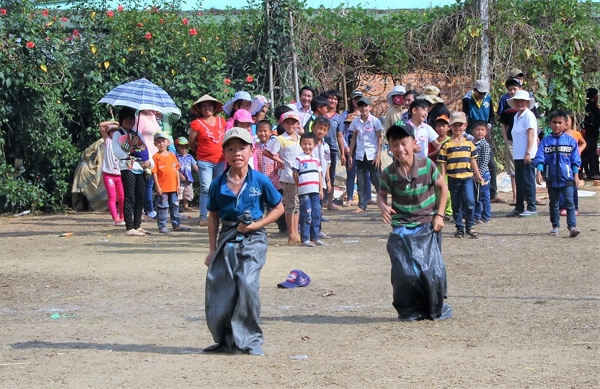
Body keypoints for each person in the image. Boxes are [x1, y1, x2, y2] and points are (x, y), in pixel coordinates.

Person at [203, 127, 284, 356]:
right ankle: (227, 341)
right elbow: (213, 216)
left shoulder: (260, 180)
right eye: (230, 149)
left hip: (254, 237)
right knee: (222, 288)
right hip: (227, 237)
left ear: (251, 151)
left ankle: (250, 339)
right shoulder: (217, 184)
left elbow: (279, 208)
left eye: (242, 148)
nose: (236, 153)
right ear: (224, 154)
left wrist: (257, 225)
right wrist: (212, 250)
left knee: (247, 282)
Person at [378, 123, 452, 322]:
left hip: (427, 224)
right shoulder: (388, 173)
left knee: (432, 271)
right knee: (405, 273)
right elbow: (381, 195)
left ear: (414, 143)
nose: (400, 149)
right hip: (402, 227)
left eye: (404, 143)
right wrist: (383, 206)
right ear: (390, 148)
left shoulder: (427, 165)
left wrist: (439, 215)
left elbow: (443, 188)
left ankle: (435, 307)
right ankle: (410, 311)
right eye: (395, 145)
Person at [533, 110, 581, 237]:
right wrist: (539, 171)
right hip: (551, 177)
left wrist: (576, 175)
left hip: (568, 178)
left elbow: (575, 160)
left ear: (566, 124)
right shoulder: (545, 141)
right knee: (554, 204)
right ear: (550, 123)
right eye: (554, 122)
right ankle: (555, 226)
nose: (557, 125)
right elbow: (540, 157)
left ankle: (572, 226)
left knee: (569, 202)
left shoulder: (571, 141)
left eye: (560, 123)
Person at [438, 112, 484, 238]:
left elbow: (473, 160)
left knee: (470, 201)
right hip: (453, 179)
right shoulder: (446, 146)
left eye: (460, 125)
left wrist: (478, 175)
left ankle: (470, 226)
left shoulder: (469, 144)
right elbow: (443, 163)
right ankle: (459, 228)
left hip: (467, 178)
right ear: (450, 127)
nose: (457, 127)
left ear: (465, 126)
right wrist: (442, 179)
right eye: (455, 125)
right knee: (456, 204)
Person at [112, 107, 153, 236]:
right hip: (127, 168)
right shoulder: (117, 134)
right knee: (130, 197)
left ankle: (137, 225)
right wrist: (130, 145)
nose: (129, 121)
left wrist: (149, 162)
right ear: (121, 119)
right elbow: (118, 154)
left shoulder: (137, 134)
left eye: (131, 118)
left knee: (140, 197)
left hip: (140, 168)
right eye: (126, 118)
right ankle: (129, 227)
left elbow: (146, 150)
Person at [263, 111, 302, 244]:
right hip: (288, 177)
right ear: (283, 124)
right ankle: (291, 234)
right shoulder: (281, 139)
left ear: (297, 124)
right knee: (291, 205)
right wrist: (279, 161)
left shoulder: (300, 139)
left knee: (296, 205)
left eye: (293, 123)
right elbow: (266, 151)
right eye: (288, 123)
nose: (291, 125)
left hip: (300, 178)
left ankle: (296, 232)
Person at [188, 95, 227, 227]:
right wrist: (200, 152)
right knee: (206, 187)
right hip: (204, 160)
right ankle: (203, 216)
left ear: (214, 107)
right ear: (200, 108)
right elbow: (191, 142)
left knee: (221, 187)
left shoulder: (222, 121)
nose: (207, 108)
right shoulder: (196, 123)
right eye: (204, 106)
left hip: (222, 159)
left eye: (209, 105)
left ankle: (221, 214)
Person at [462, 80, 502, 204]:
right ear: (475, 90)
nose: (482, 95)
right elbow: (466, 116)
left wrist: (488, 127)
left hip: (485, 133)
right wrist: (469, 134)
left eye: (484, 93)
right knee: (472, 161)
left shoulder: (488, 98)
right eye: (480, 93)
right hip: (472, 134)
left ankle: (493, 192)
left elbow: (491, 116)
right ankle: (473, 190)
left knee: (490, 163)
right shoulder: (467, 99)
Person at [505, 90, 539, 218]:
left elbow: (531, 134)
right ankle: (519, 206)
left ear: (527, 102)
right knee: (519, 181)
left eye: (522, 101)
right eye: (517, 101)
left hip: (527, 154)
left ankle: (531, 206)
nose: (520, 103)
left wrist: (528, 152)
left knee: (528, 180)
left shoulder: (529, 115)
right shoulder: (516, 116)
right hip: (518, 154)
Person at [348, 97, 383, 214]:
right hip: (360, 155)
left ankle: (383, 204)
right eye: (361, 106)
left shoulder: (375, 121)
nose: (364, 108)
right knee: (361, 181)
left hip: (372, 154)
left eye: (366, 106)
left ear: (370, 107)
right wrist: (350, 155)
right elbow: (353, 139)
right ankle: (362, 205)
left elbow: (379, 139)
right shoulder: (355, 121)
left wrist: (378, 155)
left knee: (377, 179)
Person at [151, 133, 189, 233]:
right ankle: (162, 226)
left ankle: (176, 225)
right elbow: (154, 172)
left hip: (173, 187)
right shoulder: (155, 157)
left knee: (175, 206)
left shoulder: (172, 156)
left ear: (168, 142)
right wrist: (157, 186)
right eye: (158, 142)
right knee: (162, 207)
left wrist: (178, 184)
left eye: (163, 141)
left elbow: (176, 170)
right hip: (162, 189)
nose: (161, 144)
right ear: (155, 144)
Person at [293, 132, 326, 247]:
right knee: (306, 214)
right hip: (304, 191)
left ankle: (315, 237)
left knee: (316, 214)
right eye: (304, 144)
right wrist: (299, 186)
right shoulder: (299, 159)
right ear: (300, 144)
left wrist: (320, 190)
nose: (307, 146)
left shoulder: (316, 160)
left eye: (309, 144)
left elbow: (319, 175)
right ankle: (305, 239)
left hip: (315, 191)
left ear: (315, 145)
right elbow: (295, 173)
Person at [255, 119, 287, 233]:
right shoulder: (255, 147)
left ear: (270, 132)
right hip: (259, 182)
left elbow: (279, 161)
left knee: (278, 204)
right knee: (259, 205)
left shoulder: (275, 146)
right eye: (260, 131)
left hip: (274, 181)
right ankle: (257, 228)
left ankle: (283, 228)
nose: (262, 133)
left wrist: (278, 169)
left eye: (265, 131)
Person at [319, 89, 346, 210]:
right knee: (319, 173)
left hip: (333, 150)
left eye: (335, 99)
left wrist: (343, 153)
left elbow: (340, 136)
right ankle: (320, 201)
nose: (333, 101)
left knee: (331, 176)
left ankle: (329, 202)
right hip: (319, 148)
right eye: (331, 98)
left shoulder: (339, 118)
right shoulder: (320, 115)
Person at [498, 77, 523, 205]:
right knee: (513, 171)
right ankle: (515, 197)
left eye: (514, 89)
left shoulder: (527, 103)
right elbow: (504, 124)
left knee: (528, 170)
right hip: (512, 141)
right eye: (510, 89)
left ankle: (531, 197)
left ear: (520, 89)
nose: (512, 91)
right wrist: (506, 140)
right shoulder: (506, 103)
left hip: (525, 142)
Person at [558, 111, 586, 215]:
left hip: (573, 164)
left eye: (567, 120)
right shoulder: (559, 135)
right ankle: (562, 207)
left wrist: (579, 150)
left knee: (574, 186)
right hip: (562, 165)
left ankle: (574, 207)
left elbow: (584, 143)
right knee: (561, 186)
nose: (565, 123)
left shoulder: (576, 134)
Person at [136, 110, 161, 219]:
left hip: (155, 154)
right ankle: (149, 209)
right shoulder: (139, 117)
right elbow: (136, 135)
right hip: (145, 154)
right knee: (148, 184)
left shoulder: (153, 116)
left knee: (154, 183)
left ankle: (155, 207)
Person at [99, 120, 125, 226]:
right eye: (112, 131)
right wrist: (114, 122)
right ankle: (115, 218)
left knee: (122, 197)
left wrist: (119, 127)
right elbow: (101, 125)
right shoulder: (107, 141)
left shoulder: (121, 144)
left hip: (119, 174)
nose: (114, 133)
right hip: (108, 174)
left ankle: (123, 217)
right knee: (112, 196)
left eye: (116, 132)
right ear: (109, 133)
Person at [311, 116, 332, 239]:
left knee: (318, 208)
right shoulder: (308, 144)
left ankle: (318, 230)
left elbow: (327, 164)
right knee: (311, 208)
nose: (321, 131)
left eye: (324, 129)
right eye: (319, 128)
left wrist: (328, 181)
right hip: (310, 181)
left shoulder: (326, 146)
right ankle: (309, 232)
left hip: (322, 182)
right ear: (313, 128)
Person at [428, 114, 452, 220]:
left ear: (448, 127)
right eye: (438, 126)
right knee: (437, 190)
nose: (441, 128)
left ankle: (449, 211)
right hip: (436, 167)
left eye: (443, 125)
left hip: (448, 168)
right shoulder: (432, 140)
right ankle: (439, 209)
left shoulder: (451, 140)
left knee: (448, 190)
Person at [472, 120, 492, 224]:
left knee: (484, 195)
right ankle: (477, 216)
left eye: (482, 130)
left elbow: (485, 161)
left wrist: (478, 174)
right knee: (476, 195)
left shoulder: (485, 145)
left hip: (483, 174)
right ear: (472, 131)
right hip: (473, 174)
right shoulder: (471, 144)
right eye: (477, 130)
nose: (480, 132)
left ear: (486, 132)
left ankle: (486, 216)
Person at [175, 137, 198, 211]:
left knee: (188, 192)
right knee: (179, 192)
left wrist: (199, 172)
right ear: (177, 147)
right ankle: (176, 205)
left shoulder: (189, 157)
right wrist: (180, 175)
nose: (184, 149)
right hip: (179, 178)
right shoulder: (175, 157)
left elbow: (194, 165)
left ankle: (186, 205)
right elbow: (174, 168)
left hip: (188, 178)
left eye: (185, 147)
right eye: (182, 147)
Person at [582, 88, 600, 179]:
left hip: (592, 133)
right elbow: (591, 121)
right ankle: (593, 172)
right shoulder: (591, 107)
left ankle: (592, 171)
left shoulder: (592, 106)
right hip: (591, 133)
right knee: (592, 152)